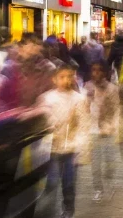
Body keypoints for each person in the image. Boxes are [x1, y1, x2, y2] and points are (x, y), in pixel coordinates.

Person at [37, 65, 89, 218]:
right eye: (62, 77)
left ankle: (68, 210)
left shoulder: (79, 99)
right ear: (54, 79)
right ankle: (47, 210)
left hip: (71, 149)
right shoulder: (47, 98)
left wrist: (82, 149)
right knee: (51, 182)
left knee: (69, 182)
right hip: (52, 148)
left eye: (70, 76)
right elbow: (42, 121)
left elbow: (84, 125)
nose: (66, 80)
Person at [86, 62, 120, 202]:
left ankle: (110, 183)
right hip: (92, 130)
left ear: (105, 73)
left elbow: (116, 109)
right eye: (94, 70)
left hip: (107, 130)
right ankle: (98, 189)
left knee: (109, 160)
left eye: (99, 70)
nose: (96, 73)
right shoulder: (88, 86)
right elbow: (84, 107)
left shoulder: (112, 89)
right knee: (95, 163)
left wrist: (112, 126)